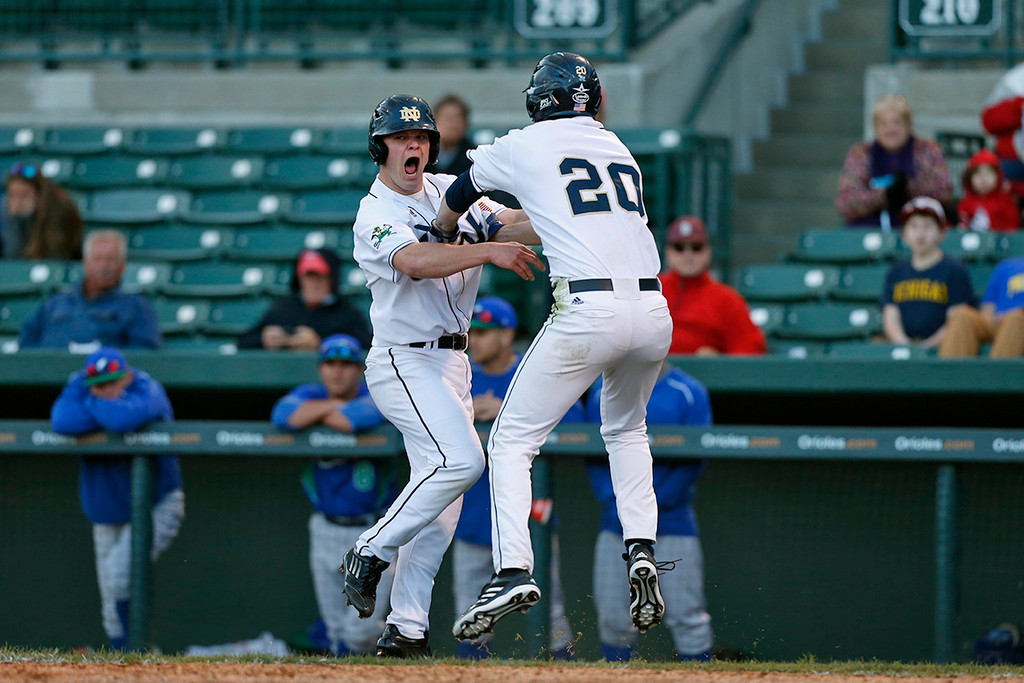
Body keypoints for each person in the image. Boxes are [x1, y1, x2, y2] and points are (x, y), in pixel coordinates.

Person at [432, 52, 673, 643]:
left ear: (540, 99)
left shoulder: (527, 143)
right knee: (627, 431)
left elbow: (460, 190)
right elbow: (557, 217)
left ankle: (513, 569)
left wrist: (442, 230)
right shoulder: (619, 150)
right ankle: (641, 549)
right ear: (591, 100)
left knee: (512, 440)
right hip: (653, 310)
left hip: (588, 308)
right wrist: (504, 223)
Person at [338, 94, 544, 659]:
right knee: (462, 462)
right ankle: (370, 549)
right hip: (404, 358)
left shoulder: (445, 188)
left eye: (423, 138)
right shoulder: (373, 210)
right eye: (404, 139)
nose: (416, 146)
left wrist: (571, 216)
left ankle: (405, 628)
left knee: (442, 503)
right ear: (381, 147)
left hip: (453, 362)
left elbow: (510, 222)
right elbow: (414, 261)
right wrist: (489, 253)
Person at [454, 296, 579, 659]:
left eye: (483, 332)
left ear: (507, 335)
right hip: (471, 516)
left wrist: (507, 411)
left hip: (529, 521)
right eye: (470, 332)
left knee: (551, 611)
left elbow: (576, 424)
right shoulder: (460, 375)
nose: (473, 340)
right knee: (470, 617)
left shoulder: (530, 371)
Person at [50, 347, 184, 651]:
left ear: (126, 375)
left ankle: (137, 654)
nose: (106, 389)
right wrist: (101, 403)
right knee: (110, 604)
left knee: (120, 579)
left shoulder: (147, 387)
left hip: (157, 504)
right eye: (98, 384)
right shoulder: (79, 384)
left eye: (113, 382)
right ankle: (121, 661)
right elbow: (61, 420)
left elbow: (123, 419)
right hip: (106, 510)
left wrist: (91, 401)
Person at [271, 334, 396, 656]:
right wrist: (332, 406)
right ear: (321, 368)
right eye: (330, 364)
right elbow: (283, 416)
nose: (338, 372)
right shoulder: (310, 393)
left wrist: (325, 412)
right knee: (336, 629)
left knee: (360, 629)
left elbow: (351, 419)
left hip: (372, 529)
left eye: (346, 365)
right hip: (325, 526)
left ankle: (399, 642)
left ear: (359, 369)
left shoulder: (376, 394)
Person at [585, 363, 714, 662]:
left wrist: (646, 507)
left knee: (687, 616)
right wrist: (619, 501)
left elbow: (694, 463)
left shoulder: (689, 391)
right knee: (613, 618)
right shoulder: (602, 389)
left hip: (672, 523)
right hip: (614, 526)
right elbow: (592, 452)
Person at [19, 229, 162, 350]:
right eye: (98, 259)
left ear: (122, 265)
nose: (104, 266)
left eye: (111, 260)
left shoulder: (137, 307)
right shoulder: (55, 303)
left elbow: (144, 355)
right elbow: (27, 343)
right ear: (85, 262)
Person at [836, 94, 952, 229]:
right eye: (883, 123)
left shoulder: (929, 150)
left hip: (920, 231)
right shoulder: (860, 154)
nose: (890, 129)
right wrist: (884, 195)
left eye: (897, 122)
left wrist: (909, 189)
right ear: (875, 127)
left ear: (908, 125)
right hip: (869, 231)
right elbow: (846, 203)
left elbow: (944, 193)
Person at [658, 215, 765, 356]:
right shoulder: (653, 290)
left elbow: (750, 348)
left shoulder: (727, 299)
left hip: (703, 376)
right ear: (668, 252)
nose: (688, 254)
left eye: (696, 248)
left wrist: (718, 360)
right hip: (651, 376)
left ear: (708, 252)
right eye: (679, 247)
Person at [882, 197, 975, 349]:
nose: (920, 233)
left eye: (927, 226)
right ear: (904, 235)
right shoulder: (896, 272)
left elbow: (956, 321)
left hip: (943, 349)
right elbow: (890, 315)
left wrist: (926, 348)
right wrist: (904, 345)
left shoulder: (955, 270)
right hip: (902, 350)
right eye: (913, 226)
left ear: (942, 233)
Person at [237, 247, 371, 351]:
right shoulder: (282, 309)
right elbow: (243, 342)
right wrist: (264, 340)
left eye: (319, 276)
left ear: (331, 278)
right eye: (308, 276)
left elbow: (366, 346)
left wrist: (321, 343)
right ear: (299, 279)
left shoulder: (347, 313)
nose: (313, 283)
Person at [938, 255, 1024, 358]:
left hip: (1018, 323)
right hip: (997, 322)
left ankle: (997, 374)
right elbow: (988, 307)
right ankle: (950, 373)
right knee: (962, 315)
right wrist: (997, 319)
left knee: (1015, 320)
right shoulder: (1006, 266)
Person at [2, 161, 84, 260]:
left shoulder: (60, 212)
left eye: (24, 195)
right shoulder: (9, 216)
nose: (17, 202)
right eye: (13, 195)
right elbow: (12, 256)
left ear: (40, 195)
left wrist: (29, 218)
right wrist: (17, 220)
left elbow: (55, 257)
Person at [981, 62, 1024, 201]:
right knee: (987, 177)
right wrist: (1019, 106)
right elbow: (989, 122)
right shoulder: (1013, 80)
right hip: (1013, 163)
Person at [957, 148, 1021, 232]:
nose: (983, 179)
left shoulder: (1006, 201)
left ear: (998, 176)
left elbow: (1013, 228)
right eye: (977, 173)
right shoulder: (965, 203)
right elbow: (962, 228)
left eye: (989, 173)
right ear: (969, 178)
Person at [431, 94, 475, 177]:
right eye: (447, 118)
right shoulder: (422, 154)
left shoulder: (475, 159)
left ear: (466, 123)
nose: (451, 124)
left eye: (456, 118)